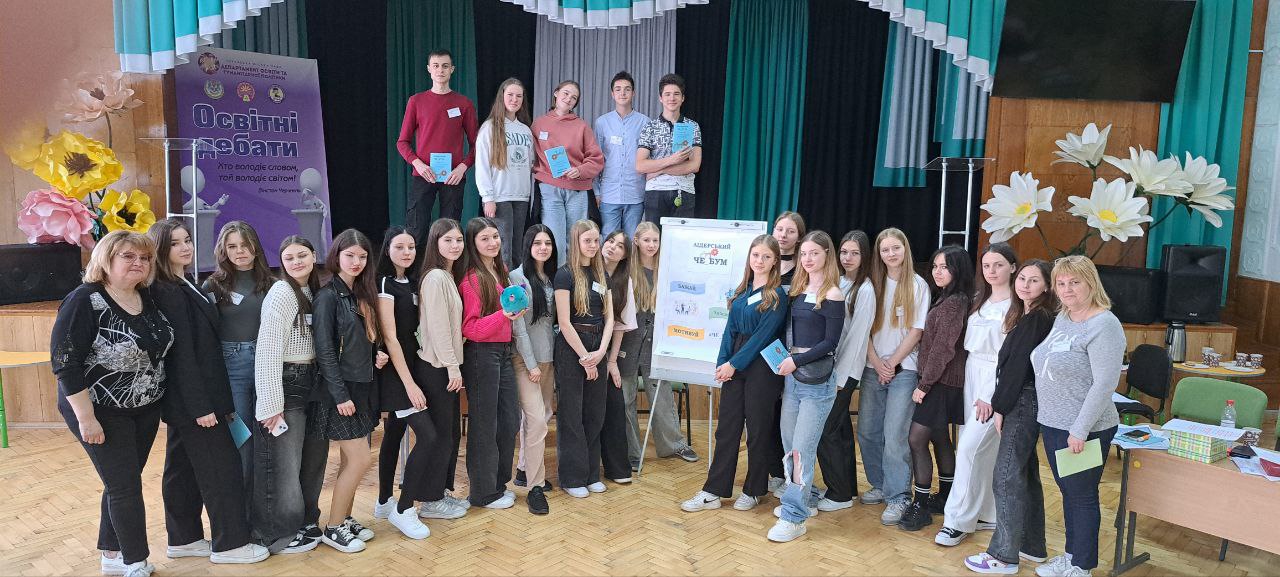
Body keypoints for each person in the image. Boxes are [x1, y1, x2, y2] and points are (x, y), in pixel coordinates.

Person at [51, 231, 173, 577]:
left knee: (122, 480)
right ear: (106, 260)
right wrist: (86, 418)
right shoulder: (84, 300)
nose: (139, 263)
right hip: (99, 409)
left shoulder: (146, 296)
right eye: (128, 256)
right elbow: (65, 363)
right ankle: (135, 561)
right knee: (125, 487)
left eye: (145, 258)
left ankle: (112, 553)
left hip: (144, 407)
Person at [149, 219, 269, 565]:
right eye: (175, 243)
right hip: (196, 400)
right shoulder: (168, 290)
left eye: (187, 240)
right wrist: (201, 406)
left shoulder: (181, 282)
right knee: (222, 468)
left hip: (193, 397)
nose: (185, 247)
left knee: (182, 468)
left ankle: (184, 538)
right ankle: (230, 544)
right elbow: (182, 354)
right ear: (160, 249)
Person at [1030, 256, 1123, 577]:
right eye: (1061, 283)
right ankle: (1071, 557)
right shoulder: (1064, 316)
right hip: (1055, 423)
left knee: (1081, 495)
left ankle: (1082, 566)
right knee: (1069, 492)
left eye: (1075, 282)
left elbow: (1105, 383)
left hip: (1084, 428)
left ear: (1091, 283)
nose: (1067, 289)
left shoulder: (1104, 325)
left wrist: (1080, 430)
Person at [681, 234, 788, 513]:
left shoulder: (777, 295)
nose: (760, 261)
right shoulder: (742, 292)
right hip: (735, 365)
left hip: (762, 367)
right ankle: (713, 491)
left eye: (766, 256)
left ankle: (754, 490)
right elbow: (729, 331)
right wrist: (723, 363)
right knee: (726, 430)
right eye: (756, 255)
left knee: (758, 430)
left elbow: (762, 338)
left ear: (775, 261)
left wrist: (734, 364)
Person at [963, 259, 1056, 575]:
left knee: (1006, 476)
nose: (1025, 285)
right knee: (1024, 474)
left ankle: (1003, 556)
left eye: (1034, 280)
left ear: (1047, 286)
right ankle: (1032, 545)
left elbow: (1017, 368)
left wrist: (999, 407)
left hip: (1022, 401)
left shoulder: (1038, 318)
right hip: (1022, 399)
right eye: (1023, 279)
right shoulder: (1027, 314)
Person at [311, 229, 389, 553]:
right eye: (350, 255)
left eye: (362, 256)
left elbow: (359, 341)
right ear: (337, 256)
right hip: (340, 392)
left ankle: (344, 518)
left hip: (362, 387)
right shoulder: (328, 296)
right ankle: (332, 528)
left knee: (350, 461)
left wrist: (375, 355)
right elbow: (325, 351)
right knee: (359, 459)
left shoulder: (361, 293)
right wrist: (340, 395)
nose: (356, 262)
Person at [936, 243, 1018, 545]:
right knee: (980, 451)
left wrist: (993, 396)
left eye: (998, 265)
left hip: (995, 379)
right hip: (971, 374)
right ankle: (986, 513)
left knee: (970, 449)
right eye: (986, 265)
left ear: (1012, 267)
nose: (992, 271)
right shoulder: (977, 300)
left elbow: (1012, 358)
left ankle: (956, 521)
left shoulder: (1017, 305)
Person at [768, 231, 846, 543]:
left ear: (827, 254)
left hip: (817, 382)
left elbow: (830, 343)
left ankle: (793, 517)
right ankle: (806, 497)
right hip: (792, 379)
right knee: (790, 446)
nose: (808, 259)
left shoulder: (833, 294)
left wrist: (796, 361)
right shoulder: (798, 290)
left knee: (801, 450)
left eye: (814, 253)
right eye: (804, 254)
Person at [253, 236, 327, 555]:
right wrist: (271, 404)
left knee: (312, 459)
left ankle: (306, 521)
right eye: (289, 257)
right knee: (284, 463)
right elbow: (267, 351)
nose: (297, 262)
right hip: (287, 380)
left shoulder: (315, 290)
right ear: (281, 262)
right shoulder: (281, 292)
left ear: (314, 256)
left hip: (313, 380)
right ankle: (278, 534)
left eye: (302, 255)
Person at [858, 227, 931, 526]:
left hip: (905, 369)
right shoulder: (870, 284)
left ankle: (898, 495)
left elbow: (917, 330)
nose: (891, 254)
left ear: (905, 249)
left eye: (895, 248)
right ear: (879, 253)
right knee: (867, 431)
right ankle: (880, 484)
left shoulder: (917, 285)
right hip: (872, 367)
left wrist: (892, 363)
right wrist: (877, 363)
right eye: (885, 249)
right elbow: (861, 329)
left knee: (895, 435)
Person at [899, 245, 974, 532]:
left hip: (940, 383)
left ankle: (920, 504)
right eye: (935, 266)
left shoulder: (955, 302)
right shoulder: (948, 298)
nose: (937, 272)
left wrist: (925, 384)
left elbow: (943, 348)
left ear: (958, 270)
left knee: (917, 439)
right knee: (940, 437)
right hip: (943, 381)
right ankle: (944, 496)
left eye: (945, 267)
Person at [369, 226, 434, 540]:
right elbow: (391, 337)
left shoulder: (413, 281)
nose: (407, 252)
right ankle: (404, 508)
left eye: (411, 247)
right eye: (399, 247)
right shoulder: (384, 283)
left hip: (413, 366)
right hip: (397, 373)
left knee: (394, 433)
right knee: (429, 436)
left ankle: (384, 501)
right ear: (387, 250)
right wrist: (408, 384)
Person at [457, 217, 526, 510]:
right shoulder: (472, 279)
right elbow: (470, 327)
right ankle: (482, 493)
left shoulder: (501, 271)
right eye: (484, 238)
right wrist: (503, 316)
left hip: (503, 352)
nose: (492, 243)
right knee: (485, 424)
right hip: (481, 355)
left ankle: (497, 486)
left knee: (509, 420)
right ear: (473, 244)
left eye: (495, 237)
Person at [617, 222, 698, 466]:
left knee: (661, 396)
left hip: (658, 344)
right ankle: (631, 452)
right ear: (636, 241)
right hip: (627, 343)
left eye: (655, 240)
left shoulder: (667, 269)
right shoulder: (626, 270)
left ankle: (673, 445)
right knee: (626, 399)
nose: (652, 245)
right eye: (647, 240)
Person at [202, 221, 275, 489]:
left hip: (268, 362)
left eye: (245, 245)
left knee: (270, 433)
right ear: (223, 250)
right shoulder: (213, 285)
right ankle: (240, 506)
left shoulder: (273, 284)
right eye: (232, 246)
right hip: (232, 365)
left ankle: (265, 504)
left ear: (255, 247)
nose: (240, 251)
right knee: (241, 436)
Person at [413, 219, 472, 521]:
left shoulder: (448, 275)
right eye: (447, 240)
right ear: (435, 243)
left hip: (447, 366)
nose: (455, 245)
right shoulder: (435, 277)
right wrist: (452, 367)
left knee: (450, 434)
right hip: (437, 369)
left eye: (458, 240)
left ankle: (441, 492)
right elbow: (438, 329)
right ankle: (430, 500)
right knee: (440, 436)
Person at [554, 220, 616, 498]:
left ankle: (591, 474)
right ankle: (572, 477)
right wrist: (584, 357)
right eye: (587, 241)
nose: (593, 245)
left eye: (596, 240)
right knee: (572, 414)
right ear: (576, 242)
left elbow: (610, 318)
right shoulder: (564, 274)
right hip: (572, 349)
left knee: (595, 413)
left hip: (597, 346)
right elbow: (564, 322)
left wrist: (601, 352)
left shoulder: (602, 275)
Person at [816, 230, 876, 512]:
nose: (848, 258)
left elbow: (857, 337)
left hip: (846, 371)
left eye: (855, 253)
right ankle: (847, 489)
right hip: (833, 367)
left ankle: (838, 493)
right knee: (839, 431)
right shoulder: (839, 282)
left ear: (864, 256)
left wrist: (840, 377)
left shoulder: (866, 290)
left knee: (825, 428)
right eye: (844, 252)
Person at [396, 48, 479, 235]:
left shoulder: (464, 103)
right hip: (423, 174)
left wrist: (462, 167)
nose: (440, 70)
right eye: (436, 66)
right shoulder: (416, 101)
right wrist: (418, 164)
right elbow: (402, 142)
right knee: (416, 229)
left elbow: (477, 145)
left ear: (452, 69)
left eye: (445, 66)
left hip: (453, 176)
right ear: (429, 69)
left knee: (449, 231)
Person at [509, 224, 559, 514]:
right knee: (537, 421)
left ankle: (524, 469)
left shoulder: (551, 277)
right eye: (537, 242)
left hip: (548, 358)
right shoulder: (516, 278)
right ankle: (535, 487)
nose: (543, 247)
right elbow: (518, 328)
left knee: (543, 416)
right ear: (528, 246)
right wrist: (530, 364)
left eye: (547, 243)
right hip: (525, 362)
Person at [532, 80, 605, 265]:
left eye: (574, 97)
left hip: (577, 189)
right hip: (550, 188)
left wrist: (579, 170)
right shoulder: (539, 124)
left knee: (575, 240)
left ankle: (574, 278)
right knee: (553, 240)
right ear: (556, 93)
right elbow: (530, 155)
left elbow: (597, 159)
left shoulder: (582, 126)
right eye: (566, 93)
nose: (569, 99)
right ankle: (557, 280)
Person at [475, 78, 534, 269]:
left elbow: (531, 163)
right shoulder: (490, 127)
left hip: (522, 196)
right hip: (499, 197)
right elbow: (482, 165)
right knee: (503, 249)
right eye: (510, 95)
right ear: (501, 97)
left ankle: (516, 285)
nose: (514, 99)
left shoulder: (526, 130)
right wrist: (487, 197)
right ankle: (500, 285)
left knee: (517, 249)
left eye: (519, 96)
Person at [636, 73, 702, 224]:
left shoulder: (692, 126)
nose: (672, 98)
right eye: (667, 94)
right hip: (655, 191)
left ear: (683, 98)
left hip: (684, 191)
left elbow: (694, 165)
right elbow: (640, 165)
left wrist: (659, 169)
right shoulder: (650, 127)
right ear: (661, 98)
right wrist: (672, 160)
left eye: (676, 94)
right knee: (654, 237)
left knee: (681, 238)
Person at [600, 230, 639, 485]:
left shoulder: (625, 281)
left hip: (608, 353)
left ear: (625, 255)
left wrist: (612, 361)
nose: (613, 247)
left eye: (620, 246)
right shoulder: (586, 272)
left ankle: (616, 468)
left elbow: (620, 326)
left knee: (615, 405)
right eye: (610, 241)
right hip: (581, 348)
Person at [594, 71, 649, 238]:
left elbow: (649, 159)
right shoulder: (602, 123)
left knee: (632, 240)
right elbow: (596, 159)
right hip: (609, 194)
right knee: (609, 240)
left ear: (633, 93)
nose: (622, 93)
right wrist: (597, 192)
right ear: (612, 94)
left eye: (627, 89)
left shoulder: (645, 122)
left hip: (636, 193)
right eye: (618, 89)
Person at [773, 212, 805, 290]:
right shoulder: (762, 261)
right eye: (780, 229)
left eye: (791, 231)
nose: (783, 235)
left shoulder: (804, 266)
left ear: (799, 237)